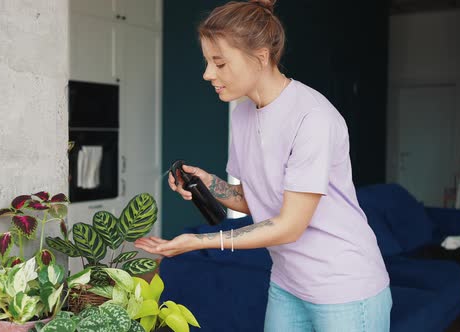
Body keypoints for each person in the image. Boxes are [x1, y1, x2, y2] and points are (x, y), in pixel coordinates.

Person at [134, 0, 392, 331]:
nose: (207, 74)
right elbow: (256, 199)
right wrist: (209, 183)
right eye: (208, 62)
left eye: (220, 63)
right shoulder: (243, 114)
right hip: (288, 282)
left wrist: (200, 242)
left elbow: (289, 225)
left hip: (343, 287)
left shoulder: (312, 118)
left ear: (260, 57)